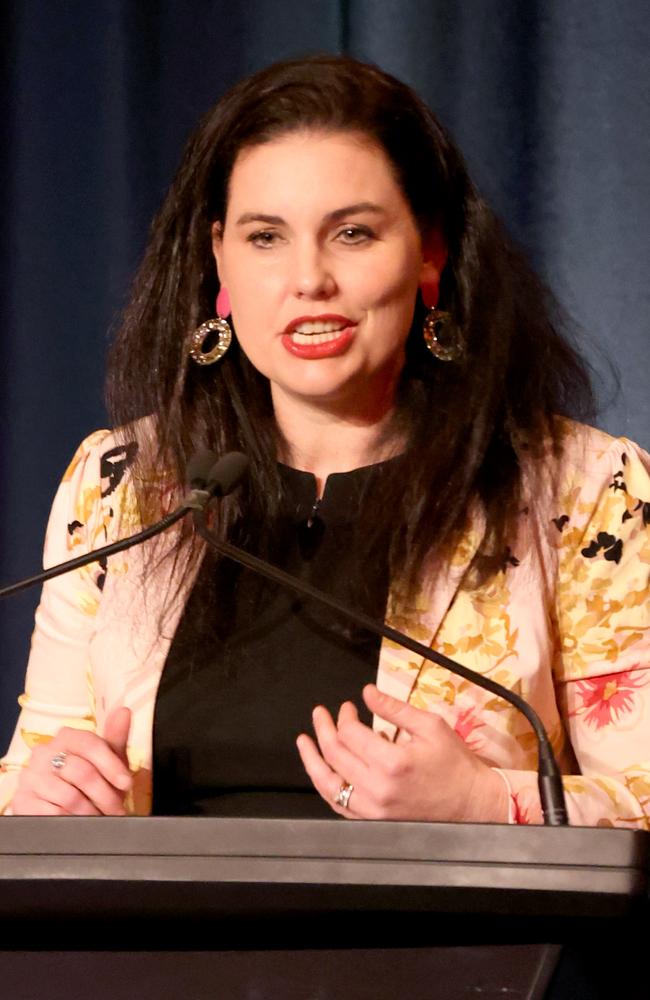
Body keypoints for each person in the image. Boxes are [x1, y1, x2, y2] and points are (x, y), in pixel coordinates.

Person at [1, 54, 649, 824]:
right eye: (265, 237)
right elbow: (33, 779)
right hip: (152, 942)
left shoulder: (581, 490)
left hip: (445, 945)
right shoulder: (118, 486)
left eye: (352, 233)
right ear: (219, 260)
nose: (308, 279)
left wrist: (485, 801)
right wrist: (36, 798)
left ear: (430, 253)